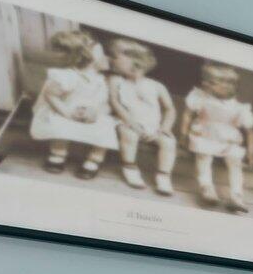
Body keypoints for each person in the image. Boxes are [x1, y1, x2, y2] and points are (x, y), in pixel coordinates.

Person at [29, 28, 115, 178]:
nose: (107, 58)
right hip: (65, 109)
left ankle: (94, 159)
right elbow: (51, 95)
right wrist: (66, 112)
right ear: (86, 57)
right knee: (60, 123)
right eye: (102, 54)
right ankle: (58, 153)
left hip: (90, 114)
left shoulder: (101, 80)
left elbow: (104, 103)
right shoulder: (69, 76)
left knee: (107, 126)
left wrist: (97, 112)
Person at [178, 62, 253, 213]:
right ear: (206, 84)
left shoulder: (239, 108)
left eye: (231, 83)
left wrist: (251, 154)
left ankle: (237, 195)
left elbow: (250, 131)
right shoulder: (200, 98)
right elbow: (187, 115)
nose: (227, 86)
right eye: (219, 82)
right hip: (205, 136)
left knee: (235, 162)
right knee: (204, 157)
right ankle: (207, 187)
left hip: (228, 140)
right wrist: (183, 135)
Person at [106, 39, 176, 194]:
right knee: (128, 134)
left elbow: (170, 109)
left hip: (153, 126)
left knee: (169, 142)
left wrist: (164, 128)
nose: (112, 60)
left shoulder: (157, 86)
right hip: (126, 121)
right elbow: (114, 102)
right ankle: (129, 166)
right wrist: (131, 123)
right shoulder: (116, 80)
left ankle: (163, 176)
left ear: (135, 61)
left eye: (116, 57)